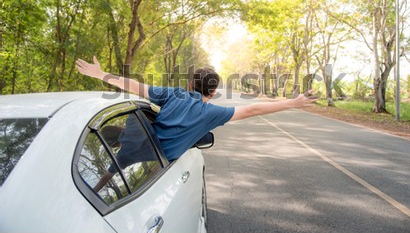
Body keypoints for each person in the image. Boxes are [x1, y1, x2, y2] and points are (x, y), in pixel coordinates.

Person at [76, 57, 317, 161]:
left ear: (190, 84)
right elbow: (252, 110)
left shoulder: (173, 94)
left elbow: (135, 86)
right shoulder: (211, 113)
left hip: (138, 153)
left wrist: (100, 74)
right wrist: (293, 103)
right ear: (213, 93)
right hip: (157, 162)